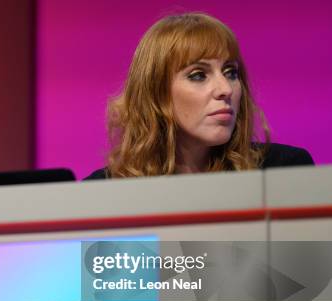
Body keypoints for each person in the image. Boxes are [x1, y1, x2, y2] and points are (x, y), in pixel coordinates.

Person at [85, 13, 313, 180]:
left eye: (230, 72)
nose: (225, 89)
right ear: (156, 92)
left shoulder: (282, 170)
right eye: (198, 75)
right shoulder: (104, 191)